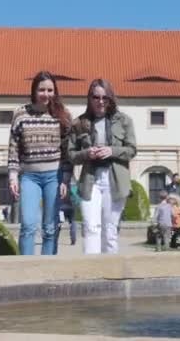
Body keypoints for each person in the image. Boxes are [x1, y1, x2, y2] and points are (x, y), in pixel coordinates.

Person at [68, 78, 137, 255]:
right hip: (90, 180)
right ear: (89, 99)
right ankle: (92, 273)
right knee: (91, 227)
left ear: (111, 99)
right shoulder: (79, 123)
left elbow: (131, 150)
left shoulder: (124, 121)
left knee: (110, 231)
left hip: (114, 179)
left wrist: (111, 151)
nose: (100, 101)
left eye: (104, 97)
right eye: (96, 97)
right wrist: (86, 154)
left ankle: (110, 274)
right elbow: (71, 155)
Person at [8, 71, 72, 256]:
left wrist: (66, 180)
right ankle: (26, 268)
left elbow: (67, 152)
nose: (46, 94)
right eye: (42, 90)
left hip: (54, 175)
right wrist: (13, 175)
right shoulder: (21, 113)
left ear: (55, 91)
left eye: (50, 90)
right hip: (29, 176)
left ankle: (48, 268)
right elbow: (13, 146)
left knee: (50, 227)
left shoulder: (63, 115)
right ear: (34, 91)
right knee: (28, 224)